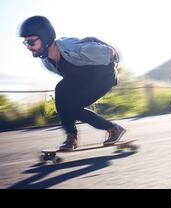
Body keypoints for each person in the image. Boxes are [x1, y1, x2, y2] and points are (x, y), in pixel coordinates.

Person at [19, 16, 126, 151]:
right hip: (83, 78)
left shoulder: (71, 47)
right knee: (62, 93)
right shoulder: (47, 62)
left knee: (72, 106)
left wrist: (112, 56)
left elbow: (110, 52)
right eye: (26, 43)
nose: (28, 47)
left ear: (45, 37)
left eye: (31, 42)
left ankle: (113, 128)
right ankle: (72, 136)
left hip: (103, 77)